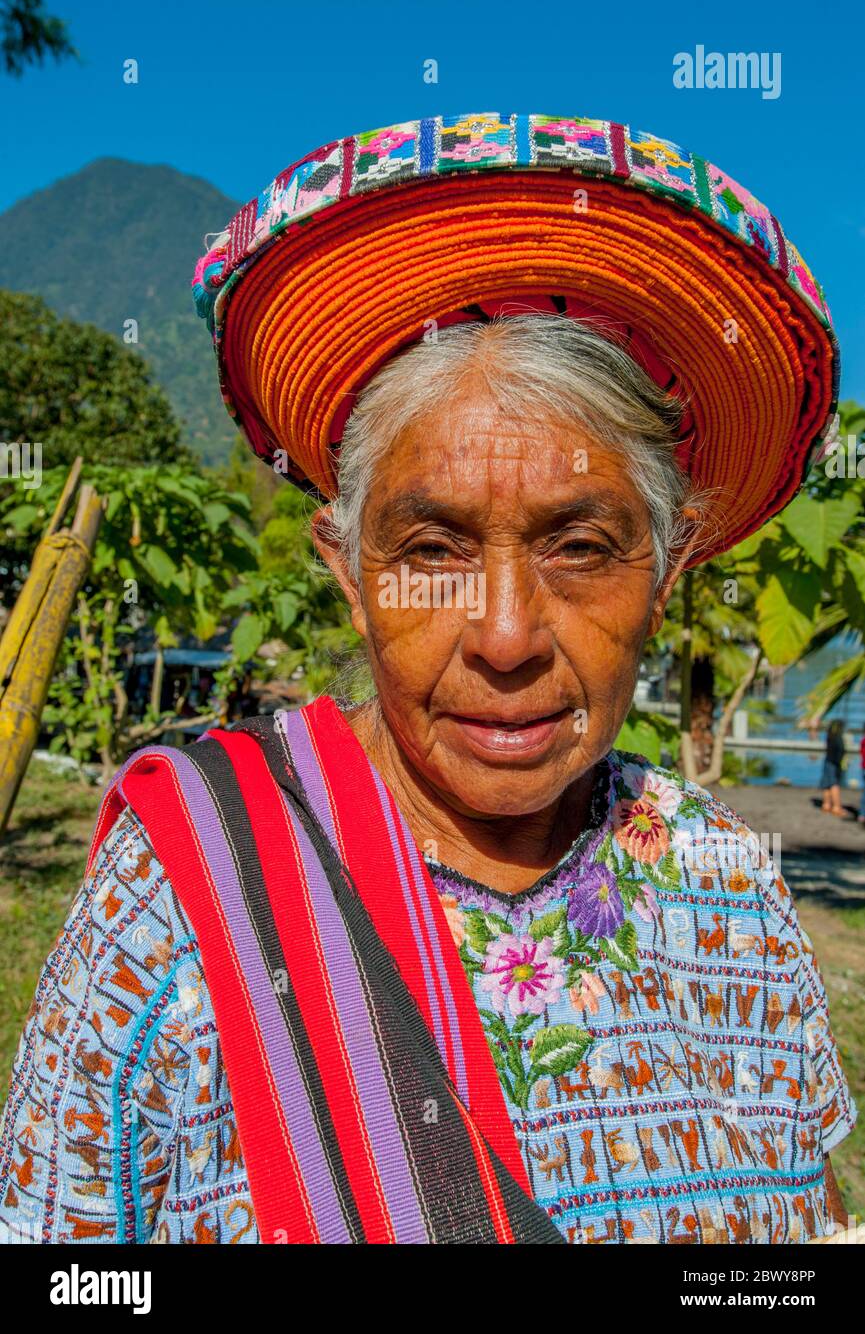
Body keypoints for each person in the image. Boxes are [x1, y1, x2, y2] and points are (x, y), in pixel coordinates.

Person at [0, 112, 856, 1245]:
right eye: (432, 550)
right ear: (347, 573)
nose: (504, 636)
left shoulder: (725, 889)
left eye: (582, 547)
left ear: (669, 567)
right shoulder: (179, 898)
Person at [820, 718, 847, 817]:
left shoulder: (829, 736)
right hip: (834, 764)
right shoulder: (838, 738)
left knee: (827, 784)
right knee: (834, 785)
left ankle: (826, 804)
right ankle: (836, 807)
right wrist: (840, 766)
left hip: (827, 762)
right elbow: (841, 752)